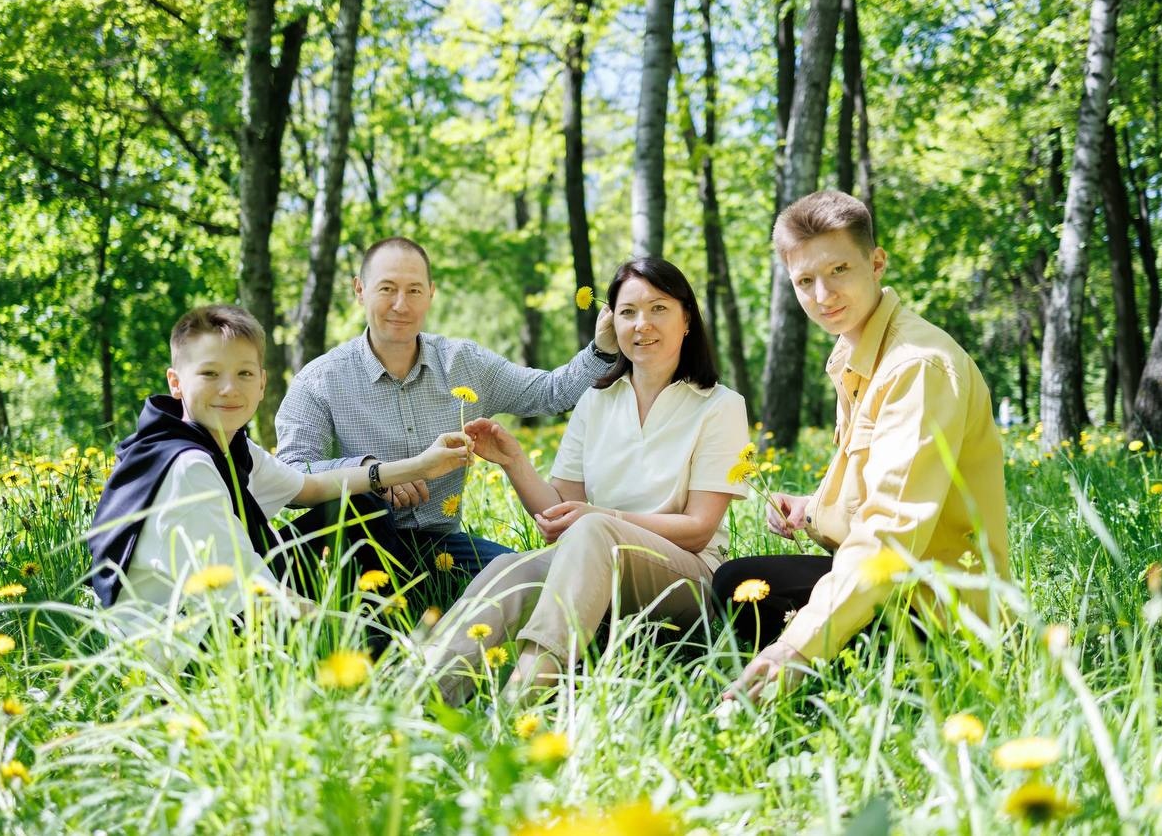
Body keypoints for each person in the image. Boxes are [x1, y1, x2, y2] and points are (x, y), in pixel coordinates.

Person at [713, 190, 1009, 700]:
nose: (823, 294)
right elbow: (876, 484)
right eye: (805, 281)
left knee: (749, 596)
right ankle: (830, 670)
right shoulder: (856, 353)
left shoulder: (916, 366)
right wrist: (810, 510)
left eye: (839, 270)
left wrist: (797, 647)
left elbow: (890, 533)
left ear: (875, 264)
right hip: (895, 586)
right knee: (737, 582)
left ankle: (847, 677)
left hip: (937, 610)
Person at [424, 258, 750, 703]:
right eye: (628, 312)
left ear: (687, 319)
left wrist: (601, 518)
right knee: (510, 569)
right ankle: (414, 701)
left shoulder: (719, 405)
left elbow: (698, 530)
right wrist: (514, 462)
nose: (642, 324)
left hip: (688, 578)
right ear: (613, 323)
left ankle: (521, 705)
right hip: (593, 561)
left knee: (594, 530)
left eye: (658, 308)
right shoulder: (596, 401)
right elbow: (561, 514)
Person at [86, 304, 472, 661]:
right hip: (186, 650)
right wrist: (352, 633)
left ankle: (383, 645)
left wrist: (418, 467)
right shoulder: (188, 467)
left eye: (244, 373)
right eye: (209, 373)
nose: (229, 388)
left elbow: (310, 487)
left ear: (261, 383)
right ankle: (386, 664)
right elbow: (260, 596)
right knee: (352, 576)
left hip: (225, 607)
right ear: (176, 382)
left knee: (360, 509)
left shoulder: (223, 444)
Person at [275, 236, 619, 581]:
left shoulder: (464, 363)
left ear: (431, 293)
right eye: (387, 289)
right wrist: (372, 472)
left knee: (532, 581)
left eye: (414, 290)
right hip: (355, 545)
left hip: (440, 546)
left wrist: (602, 348)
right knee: (365, 514)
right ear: (360, 290)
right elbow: (290, 476)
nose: (401, 305)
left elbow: (551, 393)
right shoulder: (320, 380)